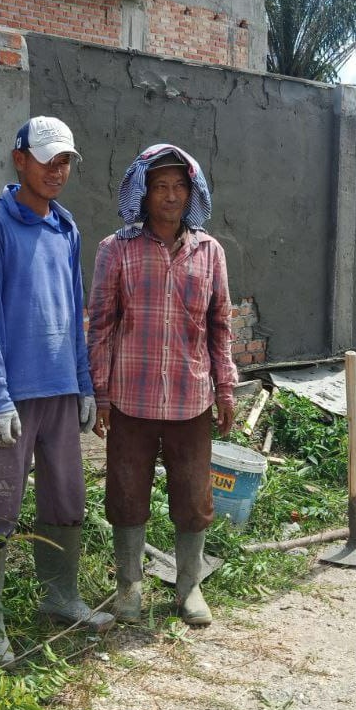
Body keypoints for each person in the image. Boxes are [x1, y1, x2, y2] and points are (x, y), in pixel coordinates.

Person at [0, 115, 113, 667]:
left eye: (66, 161)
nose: (58, 170)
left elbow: (75, 311)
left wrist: (84, 384)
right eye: (48, 160)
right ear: (20, 159)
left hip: (60, 390)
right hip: (14, 395)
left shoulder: (66, 228)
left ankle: (59, 596)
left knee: (67, 498)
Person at [87, 144, 238, 626]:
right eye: (160, 187)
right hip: (130, 400)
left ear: (192, 194)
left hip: (191, 400)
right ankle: (128, 587)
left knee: (193, 498)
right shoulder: (116, 249)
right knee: (126, 495)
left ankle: (189, 586)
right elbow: (100, 325)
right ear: (143, 193)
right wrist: (100, 393)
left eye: (179, 187)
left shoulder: (209, 252)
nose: (170, 196)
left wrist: (226, 388)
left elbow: (220, 326)